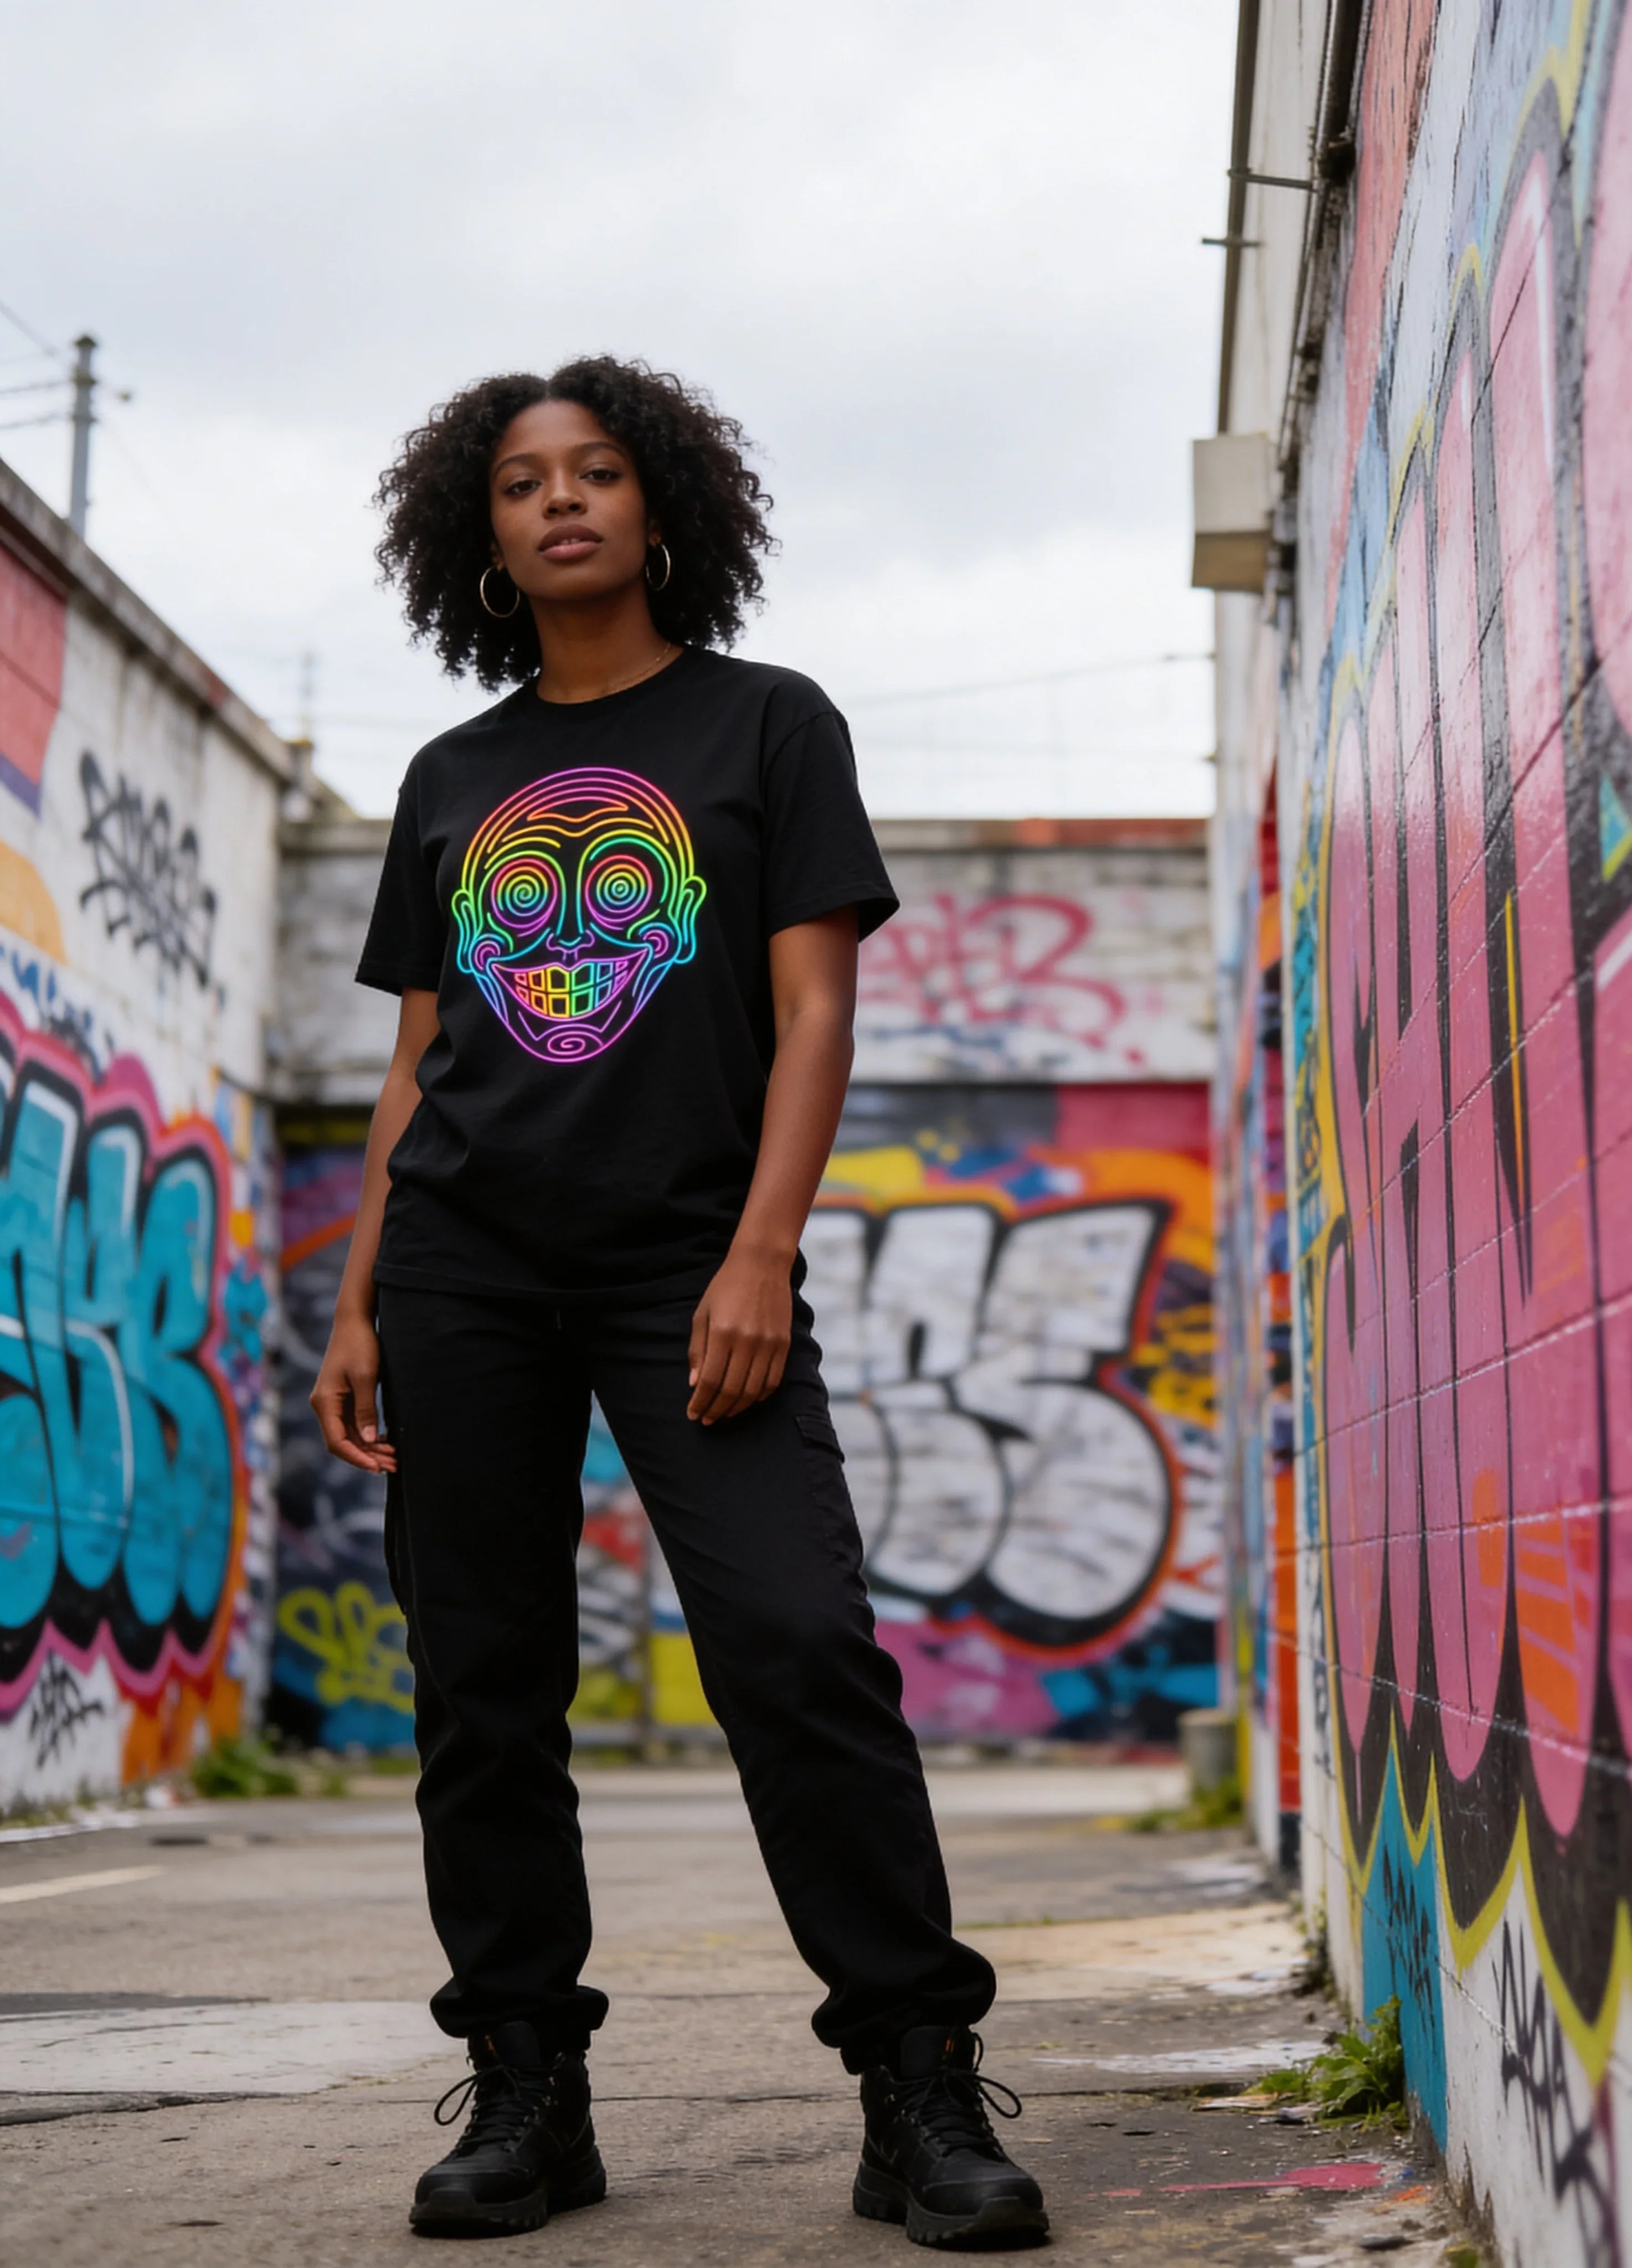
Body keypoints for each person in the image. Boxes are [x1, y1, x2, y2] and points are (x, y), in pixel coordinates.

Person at [311, 355, 1048, 2249]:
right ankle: (529, 2089)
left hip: (679, 1263)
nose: (562, 503)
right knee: (484, 1690)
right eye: (521, 485)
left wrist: (752, 1259)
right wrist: (363, 1299)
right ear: (475, 536)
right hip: (466, 1265)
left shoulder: (767, 728)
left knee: (799, 1647)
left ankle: (917, 2083)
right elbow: (420, 1059)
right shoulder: (451, 779)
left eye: (600, 473)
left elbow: (816, 1014)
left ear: (666, 509)